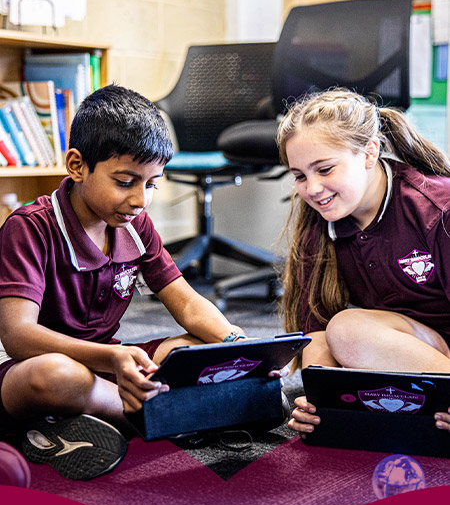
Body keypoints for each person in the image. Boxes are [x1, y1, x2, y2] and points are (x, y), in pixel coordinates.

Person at [0, 84, 249, 479]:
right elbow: (17, 336)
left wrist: (238, 346)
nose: (140, 200)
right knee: (56, 376)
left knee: (194, 350)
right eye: (125, 181)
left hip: (112, 367)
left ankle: (84, 423)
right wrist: (111, 359)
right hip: (40, 371)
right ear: (78, 166)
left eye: (151, 184)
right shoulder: (29, 228)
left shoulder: (136, 224)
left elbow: (185, 301)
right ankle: (171, 415)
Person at [276, 87, 450, 439]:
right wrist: (317, 402)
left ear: (369, 152)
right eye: (299, 176)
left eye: (324, 169)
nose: (312, 189)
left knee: (350, 330)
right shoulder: (321, 218)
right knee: (335, 336)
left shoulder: (437, 209)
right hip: (410, 347)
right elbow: (316, 330)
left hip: (439, 349)